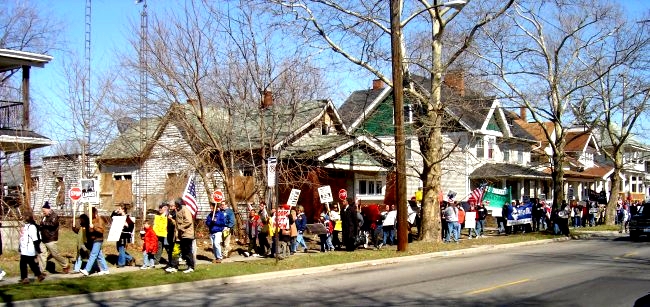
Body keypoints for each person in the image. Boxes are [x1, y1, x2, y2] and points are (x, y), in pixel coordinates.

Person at [39, 201, 70, 273]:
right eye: (42, 211)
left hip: (51, 238)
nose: (43, 212)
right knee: (42, 254)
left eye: (44, 211)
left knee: (55, 254)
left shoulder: (54, 216)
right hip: (43, 239)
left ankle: (65, 264)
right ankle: (41, 271)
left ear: (48, 209)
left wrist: (43, 223)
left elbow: (53, 224)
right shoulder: (44, 217)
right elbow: (42, 225)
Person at [80, 207, 110, 276]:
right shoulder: (90, 220)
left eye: (90, 213)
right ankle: (105, 269)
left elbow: (101, 231)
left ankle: (87, 270)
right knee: (99, 255)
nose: (89, 214)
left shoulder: (99, 220)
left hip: (98, 239)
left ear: (94, 213)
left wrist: (94, 227)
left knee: (93, 254)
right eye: (88, 213)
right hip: (93, 240)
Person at [19, 214, 46, 284]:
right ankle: (39, 275)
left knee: (23, 264)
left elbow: (35, 239)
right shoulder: (25, 226)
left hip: (29, 248)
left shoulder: (32, 227)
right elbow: (22, 238)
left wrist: (37, 249)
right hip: (24, 248)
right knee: (31, 263)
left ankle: (25, 278)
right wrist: (20, 246)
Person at [172, 198, 195, 273]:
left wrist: (180, 227)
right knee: (185, 251)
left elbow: (188, 220)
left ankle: (191, 266)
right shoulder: (179, 210)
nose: (175, 206)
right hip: (182, 234)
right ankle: (188, 265)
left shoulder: (185, 209)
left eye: (176, 204)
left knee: (188, 251)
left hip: (187, 234)